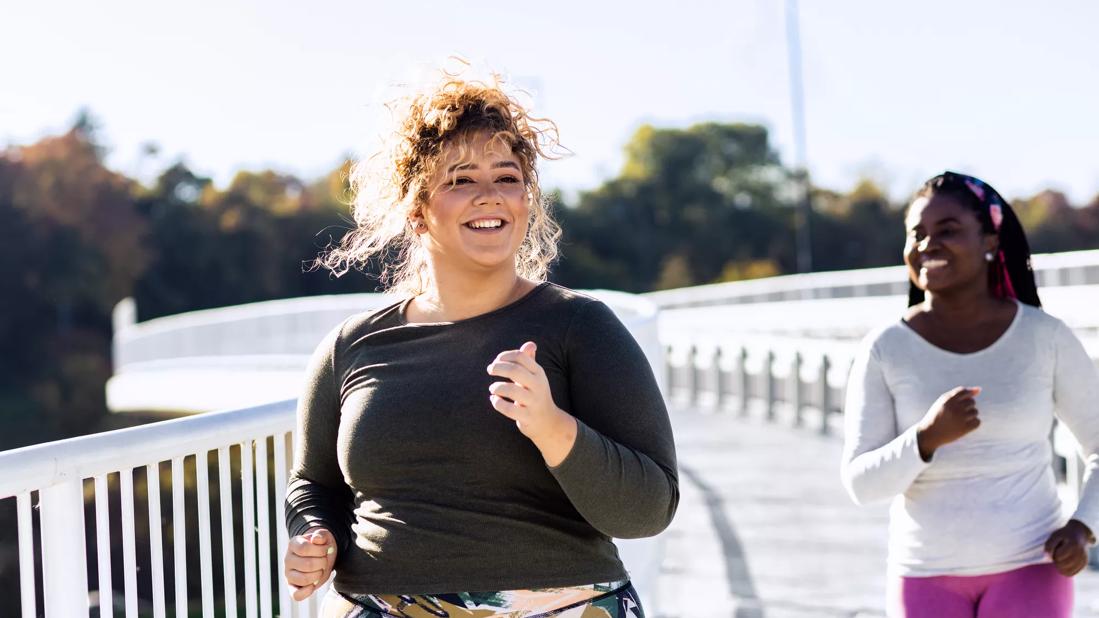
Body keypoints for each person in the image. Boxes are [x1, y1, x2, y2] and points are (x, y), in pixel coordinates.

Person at [282, 72, 678, 618]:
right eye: (461, 180)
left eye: (507, 177)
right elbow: (312, 484)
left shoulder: (581, 327)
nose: (490, 196)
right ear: (417, 210)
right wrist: (314, 534)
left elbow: (649, 509)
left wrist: (552, 427)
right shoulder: (352, 346)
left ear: (526, 198)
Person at [840, 171, 1099, 617]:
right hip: (923, 574)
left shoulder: (1044, 337)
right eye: (916, 234)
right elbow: (861, 483)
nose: (927, 245)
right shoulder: (885, 348)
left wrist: (1082, 528)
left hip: (1031, 567)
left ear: (991, 243)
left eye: (948, 231)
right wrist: (925, 439)